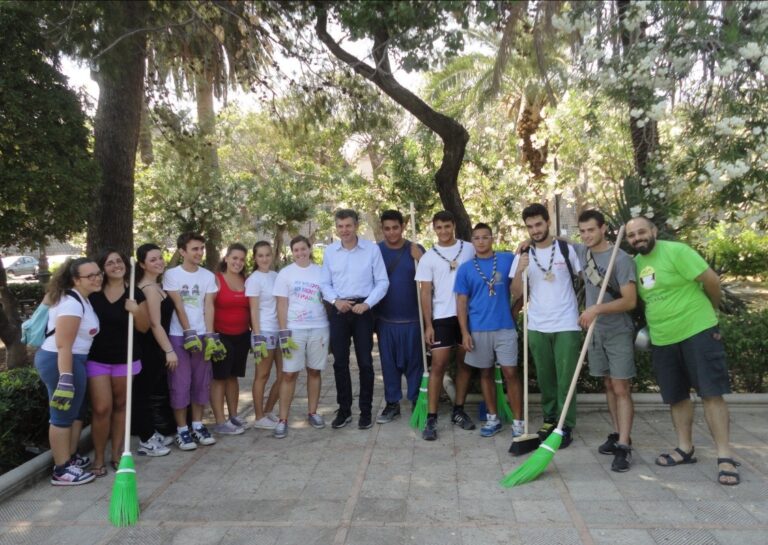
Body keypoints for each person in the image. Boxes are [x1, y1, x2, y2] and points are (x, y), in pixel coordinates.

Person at [626, 216, 740, 485]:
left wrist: (709, 312)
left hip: (697, 331)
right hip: (663, 339)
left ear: (653, 231)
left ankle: (725, 455)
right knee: (676, 396)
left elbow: (711, 281)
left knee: (711, 393)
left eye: (642, 232)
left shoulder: (676, 252)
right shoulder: (636, 265)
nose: (637, 238)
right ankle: (684, 448)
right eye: (632, 236)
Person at [510, 203, 582, 448]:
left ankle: (565, 424)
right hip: (538, 324)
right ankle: (550, 419)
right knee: (545, 377)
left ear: (547, 222)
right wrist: (520, 270)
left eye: (538, 224)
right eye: (530, 226)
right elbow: (516, 292)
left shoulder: (565, 249)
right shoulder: (522, 254)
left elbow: (585, 275)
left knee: (566, 378)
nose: (535, 230)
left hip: (567, 323)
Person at [572, 210, 637, 472]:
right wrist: (527, 243)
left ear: (603, 229)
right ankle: (618, 432)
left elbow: (630, 301)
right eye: (583, 231)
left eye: (591, 230)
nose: (586, 235)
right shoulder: (582, 252)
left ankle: (624, 446)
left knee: (621, 387)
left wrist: (596, 309)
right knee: (608, 385)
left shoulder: (620, 259)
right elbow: (554, 240)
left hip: (617, 330)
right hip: (596, 332)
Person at [35, 258, 102, 485]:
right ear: (76, 279)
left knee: (74, 412)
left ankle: (69, 459)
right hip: (62, 361)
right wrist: (65, 378)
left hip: (73, 360)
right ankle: (61, 470)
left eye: (97, 273)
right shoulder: (72, 303)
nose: (97, 278)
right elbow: (64, 345)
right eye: (89, 275)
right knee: (62, 415)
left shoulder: (81, 298)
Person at [320, 209, 389, 430]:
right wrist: (334, 300)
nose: (344, 231)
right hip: (339, 310)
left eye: (348, 226)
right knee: (340, 363)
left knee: (365, 362)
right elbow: (324, 284)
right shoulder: (330, 252)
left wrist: (367, 303)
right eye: (340, 227)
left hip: (363, 310)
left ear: (356, 225)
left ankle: (366, 411)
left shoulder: (371, 250)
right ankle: (344, 410)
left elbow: (382, 281)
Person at [455, 223, 524, 438]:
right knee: (485, 373)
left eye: (485, 237)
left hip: (504, 327)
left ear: (492, 238)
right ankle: (493, 418)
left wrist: (515, 310)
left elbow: (522, 286)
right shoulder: (465, 269)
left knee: (510, 373)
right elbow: (461, 303)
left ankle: (518, 422)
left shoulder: (506, 260)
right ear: (472, 241)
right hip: (478, 329)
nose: (481, 241)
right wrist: (465, 332)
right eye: (476, 238)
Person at [86, 249, 150, 476]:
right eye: (110, 263)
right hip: (97, 359)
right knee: (102, 408)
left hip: (126, 359)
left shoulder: (135, 293)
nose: (116, 265)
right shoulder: (93, 294)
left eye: (119, 261)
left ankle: (117, 455)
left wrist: (135, 310)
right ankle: (98, 458)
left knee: (122, 406)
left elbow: (144, 327)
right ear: (103, 268)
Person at [414, 210, 476, 441]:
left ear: (454, 226)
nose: (443, 231)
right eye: (439, 227)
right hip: (441, 317)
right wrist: (428, 325)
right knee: (438, 365)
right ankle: (431, 417)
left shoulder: (469, 249)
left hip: (468, 316)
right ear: (434, 229)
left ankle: (458, 410)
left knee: (464, 364)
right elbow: (425, 293)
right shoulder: (429, 257)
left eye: (447, 226)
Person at [163, 232, 220, 450]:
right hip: (180, 336)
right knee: (180, 384)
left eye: (201, 248)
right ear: (182, 251)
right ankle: (182, 430)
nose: (199, 253)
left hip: (203, 335)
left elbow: (208, 305)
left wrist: (210, 335)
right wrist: (188, 332)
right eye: (195, 249)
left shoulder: (207, 276)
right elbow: (178, 305)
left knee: (200, 382)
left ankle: (197, 425)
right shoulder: (172, 275)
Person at [272, 236, 330, 438]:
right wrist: (283, 331)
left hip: (319, 327)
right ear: (292, 252)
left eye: (303, 249)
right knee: (289, 374)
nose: (300, 253)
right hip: (294, 329)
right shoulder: (285, 274)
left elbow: (328, 298)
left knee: (314, 371)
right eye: (296, 250)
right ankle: (283, 419)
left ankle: (313, 412)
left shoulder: (321, 271)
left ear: (309, 249)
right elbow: (281, 304)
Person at [375, 210, 425, 424]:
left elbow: (431, 278)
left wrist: (421, 259)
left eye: (395, 227)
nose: (391, 232)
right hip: (386, 320)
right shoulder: (376, 252)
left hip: (413, 319)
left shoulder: (416, 249)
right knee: (388, 364)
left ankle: (415, 399)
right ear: (382, 229)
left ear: (403, 227)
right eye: (387, 228)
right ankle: (392, 403)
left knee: (415, 363)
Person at [133, 243, 175, 457]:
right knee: (150, 394)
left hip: (157, 346)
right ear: (142, 264)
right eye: (152, 259)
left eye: (160, 257)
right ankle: (151, 435)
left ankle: (157, 432)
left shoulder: (157, 286)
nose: (159, 262)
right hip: (150, 348)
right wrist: (169, 350)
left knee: (157, 391)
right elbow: (154, 324)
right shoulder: (148, 289)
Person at [211, 243, 250, 435]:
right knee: (219, 378)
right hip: (221, 336)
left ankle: (233, 416)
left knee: (233, 377)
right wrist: (211, 337)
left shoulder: (246, 280)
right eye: (234, 258)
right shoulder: (216, 280)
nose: (238, 262)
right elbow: (208, 307)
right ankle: (220, 421)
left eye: (242, 259)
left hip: (242, 335)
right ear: (226, 258)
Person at [245, 241, 283, 430]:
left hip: (280, 330)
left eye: (267, 255)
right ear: (255, 258)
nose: (264, 259)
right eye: (260, 255)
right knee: (263, 375)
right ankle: (259, 416)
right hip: (264, 332)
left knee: (284, 374)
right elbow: (253, 310)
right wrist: (257, 336)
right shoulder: (253, 279)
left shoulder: (277, 276)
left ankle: (268, 411)